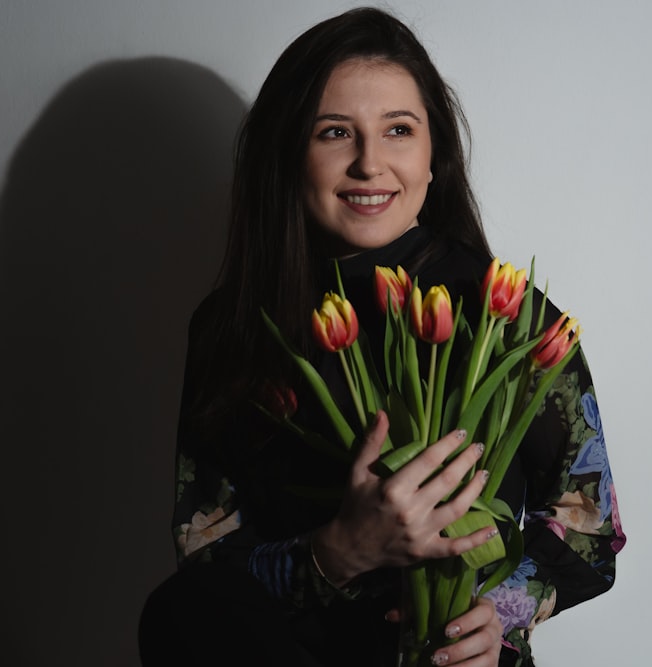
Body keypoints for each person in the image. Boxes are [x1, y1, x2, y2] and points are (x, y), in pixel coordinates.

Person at [139, 8, 625, 667]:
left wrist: (499, 613)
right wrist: (342, 549)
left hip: (460, 660)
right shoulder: (234, 326)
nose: (370, 164)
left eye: (399, 130)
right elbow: (204, 556)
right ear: (289, 155)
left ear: (435, 158)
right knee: (175, 613)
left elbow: (593, 528)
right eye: (335, 132)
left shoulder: (507, 315)